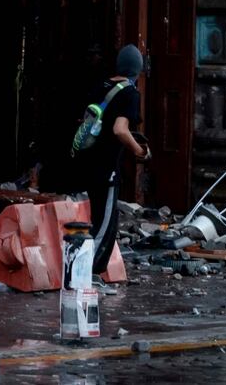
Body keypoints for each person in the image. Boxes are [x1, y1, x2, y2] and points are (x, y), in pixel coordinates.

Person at [79, 44, 150, 276]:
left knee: (95, 218)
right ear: (137, 70)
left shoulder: (102, 85)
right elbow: (120, 129)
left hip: (88, 162)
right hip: (107, 167)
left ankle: (82, 270)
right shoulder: (129, 93)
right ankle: (89, 275)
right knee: (105, 224)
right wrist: (139, 150)